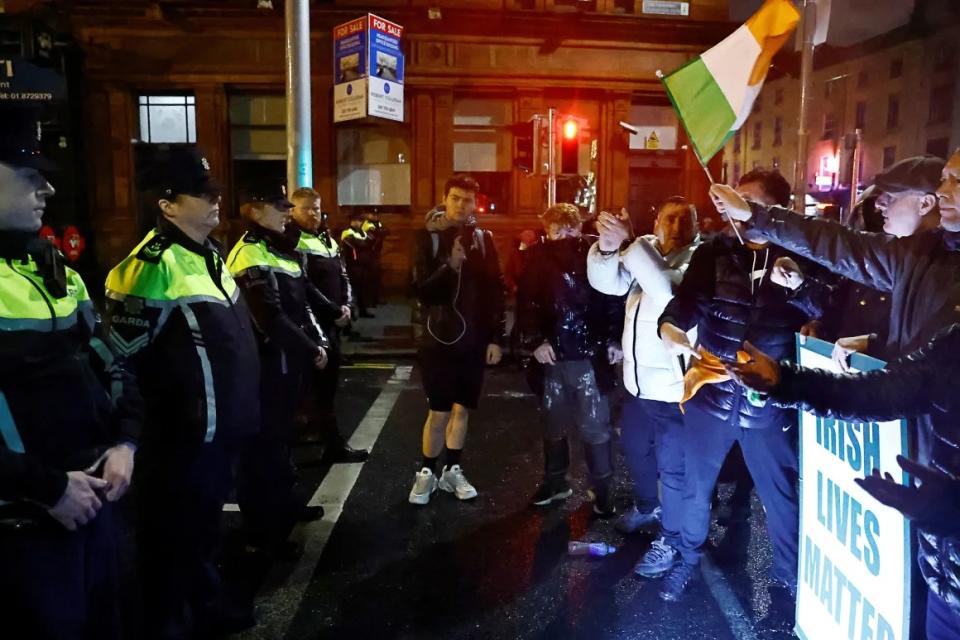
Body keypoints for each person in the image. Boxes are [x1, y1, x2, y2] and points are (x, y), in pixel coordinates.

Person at [104, 146, 262, 638]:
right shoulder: (149, 266)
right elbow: (119, 361)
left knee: (202, 533)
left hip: (217, 435)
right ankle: (171, 623)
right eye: (203, 194)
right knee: (171, 540)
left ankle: (206, 607)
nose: (216, 201)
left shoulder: (207, 254)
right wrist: (132, 438)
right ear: (168, 204)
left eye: (215, 191)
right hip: (181, 443)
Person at [657, 169, 834, 601]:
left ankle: (788, 581)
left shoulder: (801, 254)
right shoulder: (715, 252)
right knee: (697, 488)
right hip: (712, 392)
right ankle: (687, 558)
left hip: (768, 398)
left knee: (781, 497)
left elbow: (830, 312)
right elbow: (688, 302)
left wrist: (802, 287)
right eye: (735, 199)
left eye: (750, 201)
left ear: (778, 209)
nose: (737, 210)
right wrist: (670, 326)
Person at [0, 107, 141, 639]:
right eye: (29, 176)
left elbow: (113, 360)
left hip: (93, 503)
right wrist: (48, 488)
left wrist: (126, 441)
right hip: (25, 526)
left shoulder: (54, 269)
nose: (48, 190)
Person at [727, 328, 960, 640]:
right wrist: (786, 382)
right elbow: (884, 391)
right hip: (944, 583)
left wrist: (949, 511)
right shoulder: (954, 345)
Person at [587, 197, 700, 574]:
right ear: (656, 219)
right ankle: (649, 507)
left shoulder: (698, 260)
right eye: (670, 217)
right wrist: (607, 246)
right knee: (637, 453)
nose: (677, 225)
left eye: (686, 219)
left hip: (675, 391)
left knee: (674, 469)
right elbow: (607, 284)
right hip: (638, 387)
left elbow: (668, 290)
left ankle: (671, 539)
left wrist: (629, 243)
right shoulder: (645, 250)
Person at [227, 191, 335, 552]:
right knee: (262, 449)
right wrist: (310, 349)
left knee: (281, 440)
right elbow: (269, 317)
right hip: (266, 365)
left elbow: (302, 299)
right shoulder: (249, 253)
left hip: (289, 363)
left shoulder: (277, 248)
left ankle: (284, 508)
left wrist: (324, 328)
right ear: (255, 211)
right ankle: (261, 533)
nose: (287, 214)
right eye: (280, 208)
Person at [516, 203, 622, 515]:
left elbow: (614, 297)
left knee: (596, 427)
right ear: (547, 230)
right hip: (553, 358)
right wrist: (535, 340)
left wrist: (615, 338)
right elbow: (527, 303)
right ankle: (555, 481)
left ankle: (602, 488)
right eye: (556, 228)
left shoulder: (597, 252)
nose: (564, 234)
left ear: (579, 227)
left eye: (569, 227)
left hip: (591, 357)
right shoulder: (536, 258)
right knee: (553, 424)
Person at [408, 175, 506, 505]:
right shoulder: (427, 238)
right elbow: (420, 289)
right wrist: (449, 266)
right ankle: (426, 472)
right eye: (455, 198)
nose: (461, 205)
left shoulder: (483, 238)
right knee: (438, 411)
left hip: (474, 338)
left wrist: (495, 337)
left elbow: (495, 290)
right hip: (437, 337)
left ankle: (452, 469)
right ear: (445, 199)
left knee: (462, 409)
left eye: (467, 200)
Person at [290, 188, 369, 463]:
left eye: (316, 208)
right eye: (306, 208)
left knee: (326, 388)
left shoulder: (327, 239)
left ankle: (322, 438)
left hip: (333, 322)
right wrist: (334, 310)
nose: (313, 213)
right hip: (312, 325)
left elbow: (343, 275)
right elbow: (305, 287)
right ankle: (328, 443)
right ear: (293, 211)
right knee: (313, 388)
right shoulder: (293, 241)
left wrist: (347, 305)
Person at [341, 211, 375, 318]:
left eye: (361, 221)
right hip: (353, 265)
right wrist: (363, 243)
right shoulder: (347, 232)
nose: (360, 223)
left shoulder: (360, 232)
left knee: (362, 290)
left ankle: (362, 311)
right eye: (358, 220)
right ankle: (351, 315)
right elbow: (357, 245)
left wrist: (363, 243)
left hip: (363, 264)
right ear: (352, 221)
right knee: (352, 292)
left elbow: (372, 240)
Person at [362, 210, 388, 307]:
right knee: (370, 278)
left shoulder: (377, 223)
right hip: (368, 254)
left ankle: (375, 299)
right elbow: (373, 236)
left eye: (377, 214)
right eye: (373, 214)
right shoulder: (367, 224)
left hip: (375, 254)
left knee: (376, 277)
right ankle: (370, 300)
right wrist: (379, 232)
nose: (376, 216)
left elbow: (386, 231)